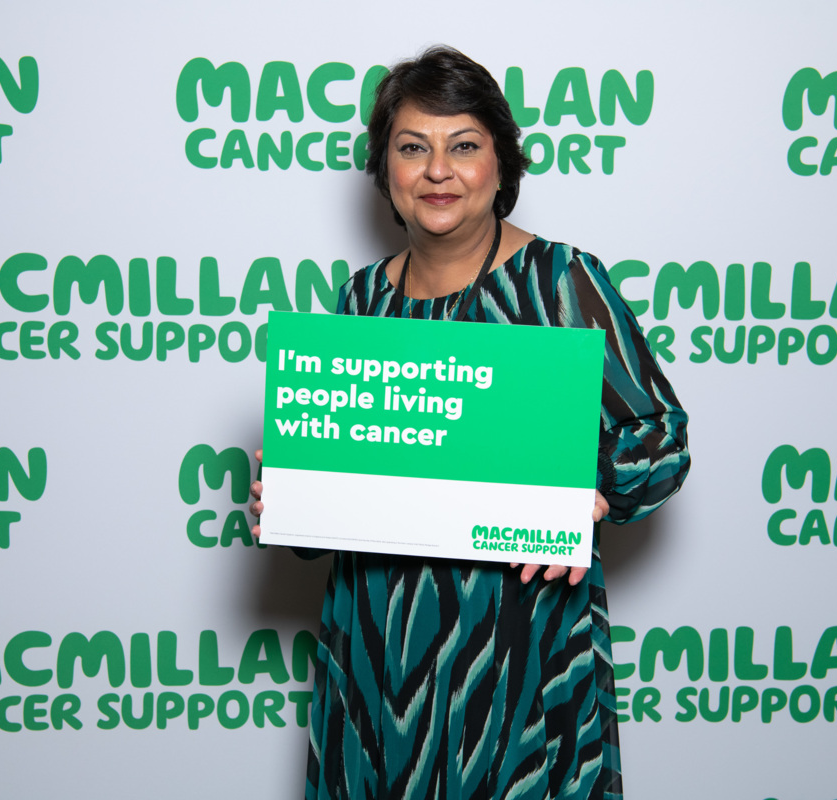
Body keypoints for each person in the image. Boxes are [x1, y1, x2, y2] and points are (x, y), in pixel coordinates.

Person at [251, 45, 689, 800]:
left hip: (518, 650)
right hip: (374, 650)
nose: (437, 172)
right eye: (412, 147)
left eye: (464, 147)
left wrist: (593, 490)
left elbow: (659, 435)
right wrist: (288, 499)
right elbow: (346, 495)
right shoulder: (361, 303)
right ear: (385, 168)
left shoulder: (560, 281)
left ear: (500, 165)